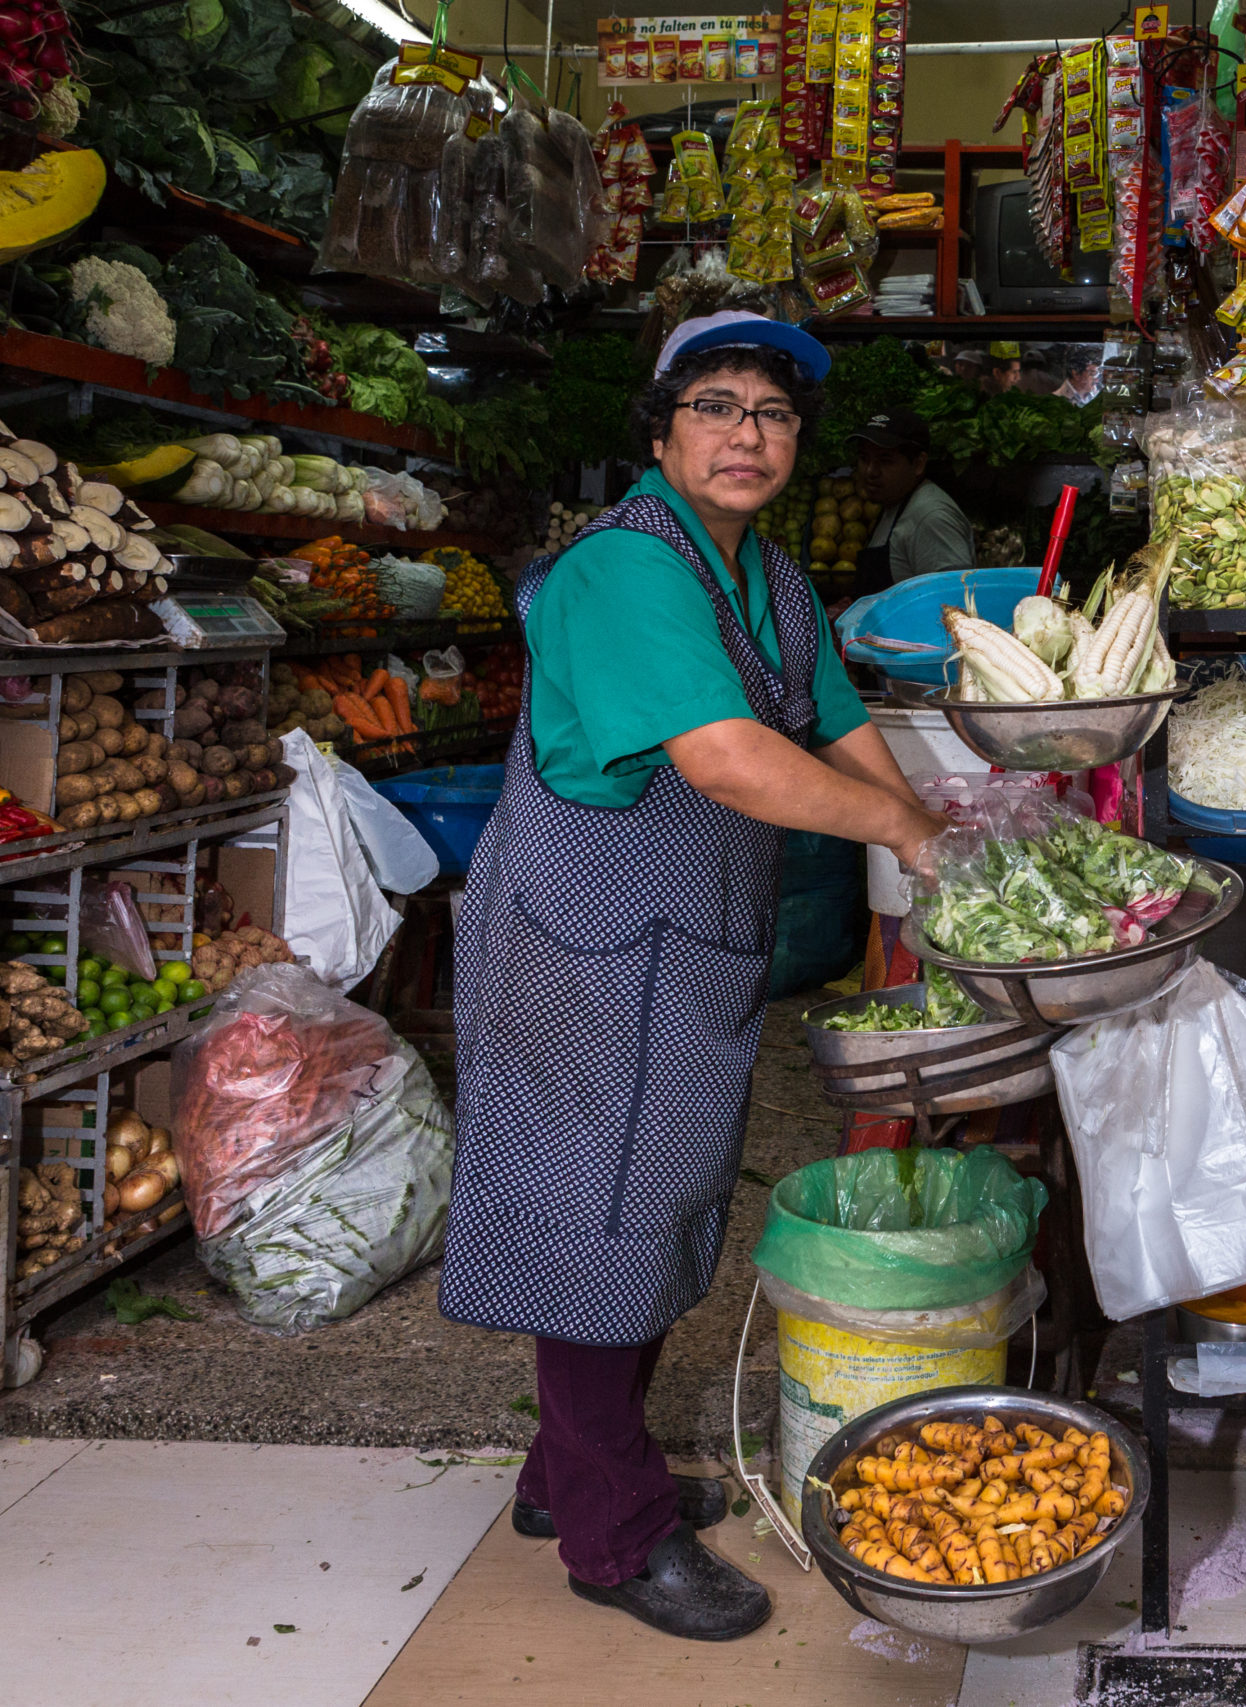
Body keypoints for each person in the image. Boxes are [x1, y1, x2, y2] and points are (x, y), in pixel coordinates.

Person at [440, 311, 949, 1644]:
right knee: (594, 1229)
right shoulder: (621, 568)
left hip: (688, 949)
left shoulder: (769, 577)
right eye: (716, 406)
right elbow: (728, 757)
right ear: (661, 434)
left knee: (653, 1214)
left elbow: (838, 723)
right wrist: (905, 835)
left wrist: (943, 845)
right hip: (583, 944)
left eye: (772, 414)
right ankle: (615, 1539)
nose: (746, 433)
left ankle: (568, 1474)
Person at [848, 406, 977, 592]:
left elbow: (955, 600)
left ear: (918, 464)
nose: (870, 471)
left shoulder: (932, 519)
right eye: (864, 458)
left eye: (885, 460)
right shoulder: (892, 502)